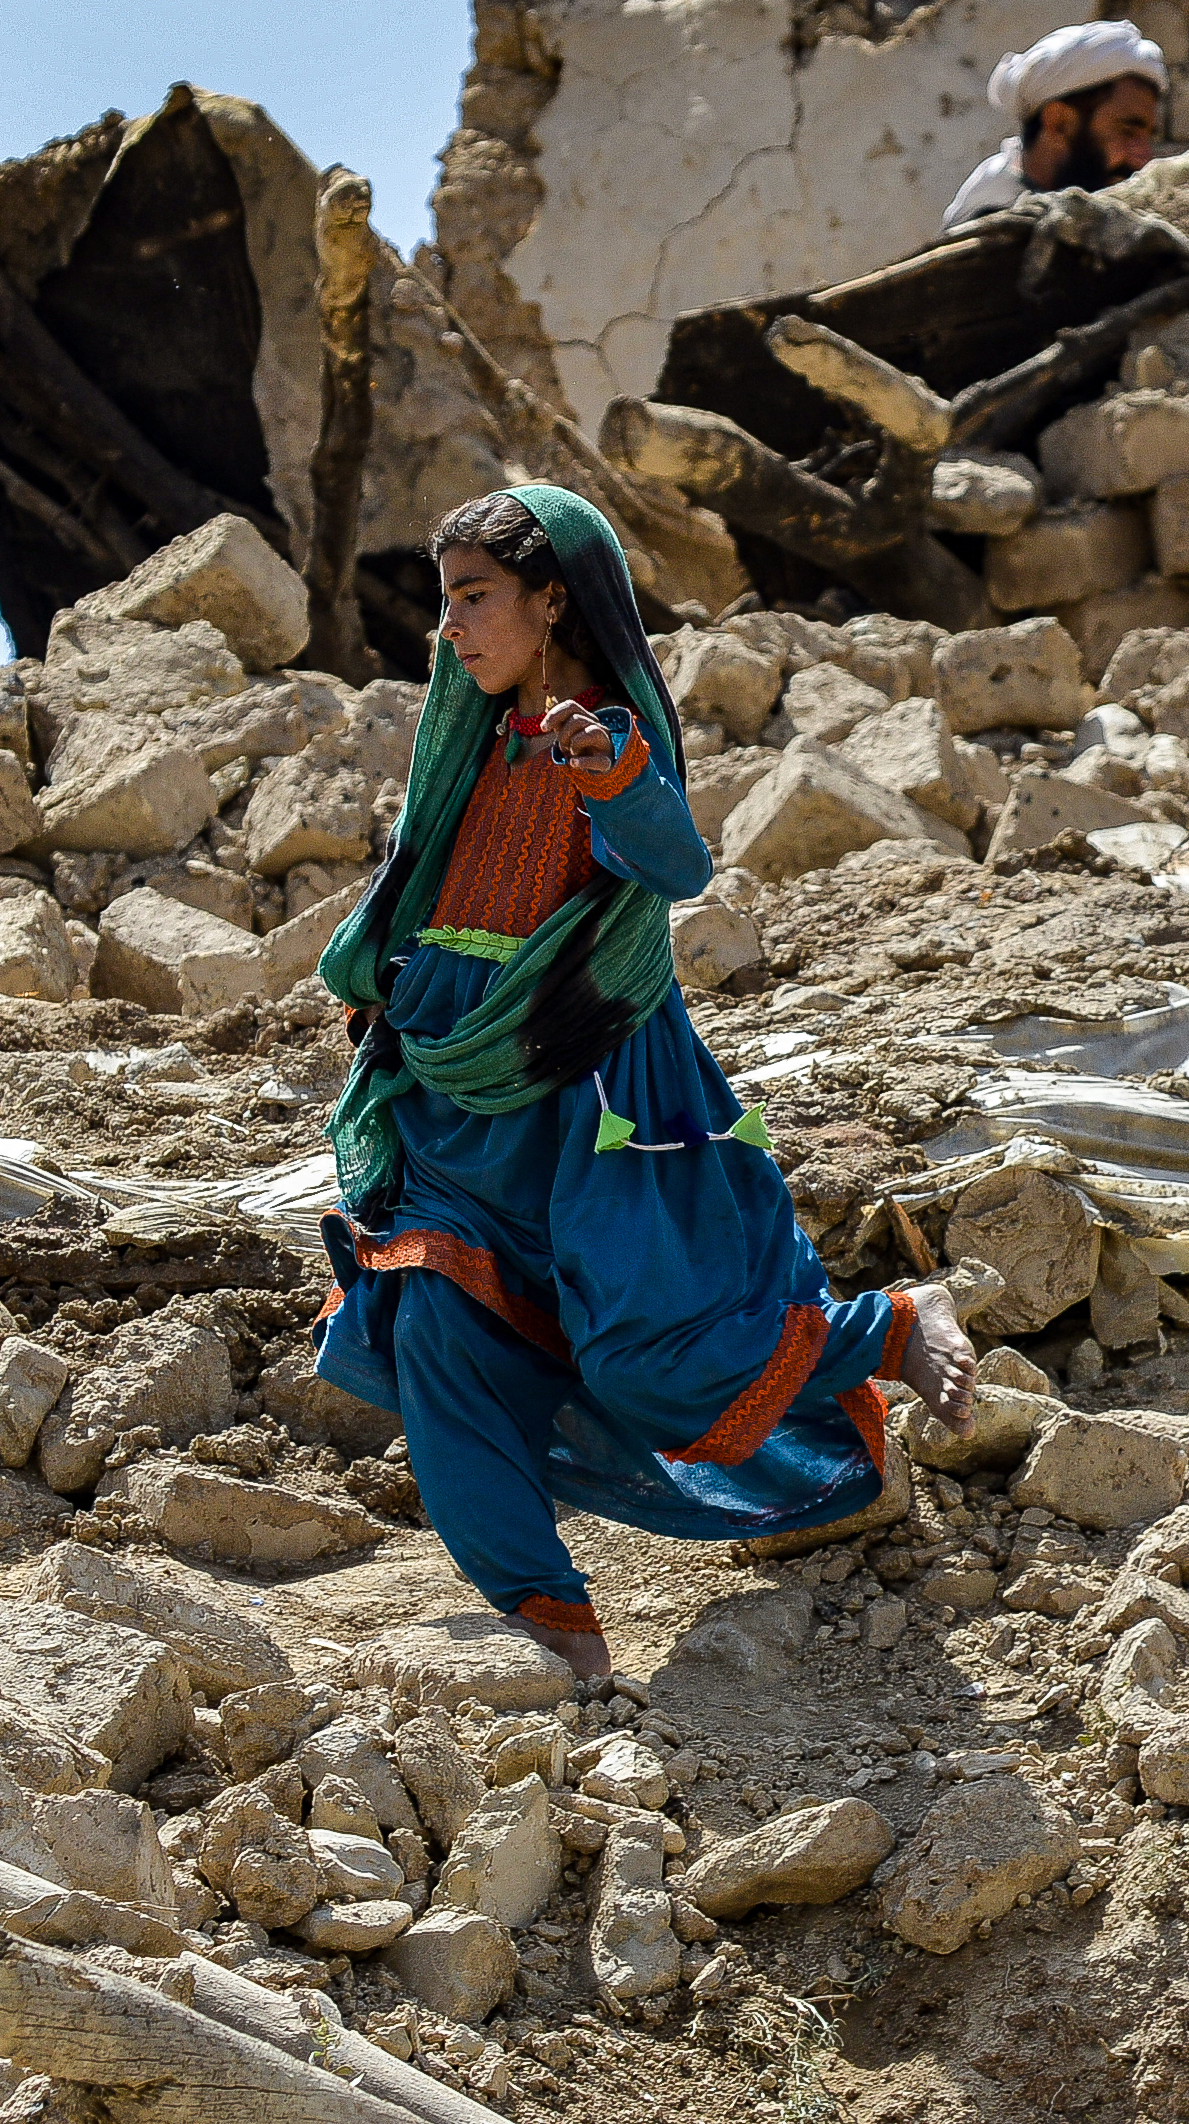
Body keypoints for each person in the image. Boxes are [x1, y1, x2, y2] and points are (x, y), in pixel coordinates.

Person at [310, 485, 972, 1683]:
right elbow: (426, 881)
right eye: (443, 601)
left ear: (552, 596)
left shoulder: (604, 737)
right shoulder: (465, 736)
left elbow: (675, 862)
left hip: (594, 1097)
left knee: (641, 1358)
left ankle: (885, 1327)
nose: (447, 628)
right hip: (452, 1100)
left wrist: (611, 776)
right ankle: (550, 1625)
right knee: (433, 1331)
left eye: (474, 598)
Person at [940, 18, 1167, 228]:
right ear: (1059, 123)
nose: (1144, 159)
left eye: (1147, 137)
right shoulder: (991, 225)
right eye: (1127, 132)